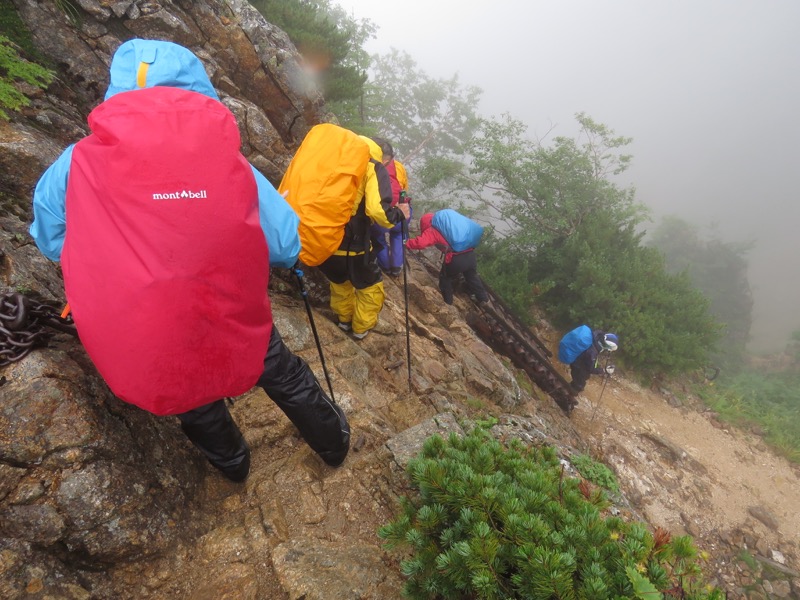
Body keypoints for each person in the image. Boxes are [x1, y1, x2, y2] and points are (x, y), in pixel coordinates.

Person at [28, 39, 350, 483]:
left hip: (145, 317)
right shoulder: (229, 160)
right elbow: (284, 243)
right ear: (196, 85)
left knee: (186, 387)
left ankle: (234, 465)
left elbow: (51, 238)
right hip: (229, 304)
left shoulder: (75, 162)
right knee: (275, 367)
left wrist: (116, 255)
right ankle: (333, 444)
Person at [316, 136, 410, 339]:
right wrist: (400, 213)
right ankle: (360, 328)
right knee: (371, 287)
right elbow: (378, 212)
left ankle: (344, 320)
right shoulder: (372, 167)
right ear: (384, 156)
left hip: (325, 238)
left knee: (339, 283)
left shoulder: (335, 157)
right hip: (354, 243)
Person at [406, 212, 489, 305]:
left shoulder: (432, 230)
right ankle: (483, 298)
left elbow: (420, 243)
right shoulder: (447, 228)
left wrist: (406, 242)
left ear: (424, 224)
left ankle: (448, 303)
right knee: (471, 275)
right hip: (470, 255)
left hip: (456, 260)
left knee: (445, 278)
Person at [369, 138, 409, 277]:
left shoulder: (366, 166)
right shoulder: (398, 166)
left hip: (379, 215)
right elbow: (403, 187)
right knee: (398, 235)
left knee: (378, 238)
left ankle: (385, 266)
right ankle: (396, 267)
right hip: (400, 210)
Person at [558, 326, 618, 394]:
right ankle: (567, 393)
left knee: (582, 373)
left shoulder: (596, 336)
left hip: (579, 356)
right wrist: (603, 370)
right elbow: (591, 368)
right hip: (577, 363)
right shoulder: (592, 352)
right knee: (580, 382)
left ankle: (568, 388)